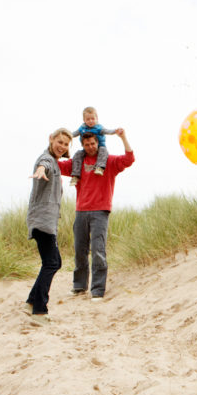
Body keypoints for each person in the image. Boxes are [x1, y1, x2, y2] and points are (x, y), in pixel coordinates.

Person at [59, 128, 134, 300]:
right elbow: (57, 164)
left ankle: (98, 290)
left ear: (98, 142)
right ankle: (79, 286)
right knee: (79, 250)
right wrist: (54, 145)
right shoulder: (77, 163)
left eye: (93, 143)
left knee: (98, 251)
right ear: (82, 145)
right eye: (86, 144)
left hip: (100, 211)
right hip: (81, 212)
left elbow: (129, 159)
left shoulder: (108, 161)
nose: (90, 147)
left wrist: (123, 137)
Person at [25, 128, 73, 326]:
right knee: (52, 263)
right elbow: (43, 164)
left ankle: (30, 303)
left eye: (66, 144)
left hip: (45, 221)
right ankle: (39, 311)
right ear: (51, 139)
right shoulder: (46, 160)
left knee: (54, 262)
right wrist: (40, 169)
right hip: (42, 221)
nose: (61, 146)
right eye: (59, 142)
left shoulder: (54, 161)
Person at [70, 106, 117, 185]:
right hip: (87, 149)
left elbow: (107, 131)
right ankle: (75, 175)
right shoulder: (82, 128)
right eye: (88, 119)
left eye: (92, 118)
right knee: (78, 154)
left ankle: (99, 168)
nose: (90, 121)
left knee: (104, 152)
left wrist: (115, 131)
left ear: (96, 118)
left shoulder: (99, 128)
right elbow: (74, 134)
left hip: (99, 148)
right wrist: (66, 135)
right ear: (84, 120)